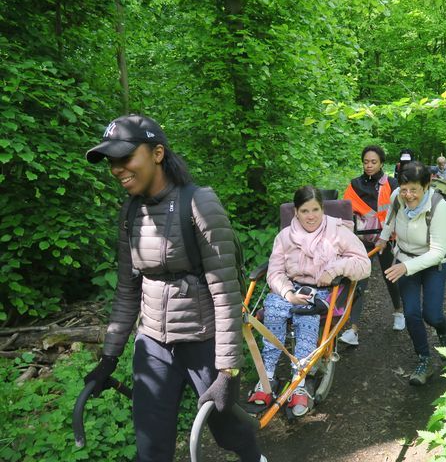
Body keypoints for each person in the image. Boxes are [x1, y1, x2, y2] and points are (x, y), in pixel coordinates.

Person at [83, 114, 265, 462]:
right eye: (111, 162)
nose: (116, 169)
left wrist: (227, 370)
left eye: (125, 158)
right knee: (151, 448)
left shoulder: (199, 203)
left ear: (157, 153)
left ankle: (254, 458)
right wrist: (109, 357)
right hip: (152, 344)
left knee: (229, 431)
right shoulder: (130, 213)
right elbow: (126, 290)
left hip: (204, 342)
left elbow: (226, 292)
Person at [248, 186, 371, 416]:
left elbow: (364, 264)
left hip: (323, 291)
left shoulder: (337, 231)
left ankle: (300, 382)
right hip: (291, 288)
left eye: (315, 209)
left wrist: (335, 267)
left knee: (306, 314)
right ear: (296, 212)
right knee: (274, 308)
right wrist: (287, 293)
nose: (311, 216)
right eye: (305, 211)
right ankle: (267, 377)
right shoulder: (285, 236)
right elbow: (274, 273)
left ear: (322, 209)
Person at [376, 161, 446, 386]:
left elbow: (438, 252)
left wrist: (405, 268)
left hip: (432, 264)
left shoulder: (439, 206)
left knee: (432, 314)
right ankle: (424, 360)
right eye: (404, 189)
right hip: (405, 257)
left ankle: (443, 329)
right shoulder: (397, 197)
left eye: (414, 190)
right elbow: (390, 219)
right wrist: (383, 239)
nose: (408, 195)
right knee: (411, 314)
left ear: (426, 185)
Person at [339, 145, 403, 346]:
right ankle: (353, 329)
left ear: (382, 163)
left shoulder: (392, 184)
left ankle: (398, 312)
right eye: (366, 161)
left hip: (388, 239)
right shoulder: (354, 185)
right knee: (358, 281)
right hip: (362, 241)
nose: (369, 165)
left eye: (373, 162)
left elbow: (399, 211)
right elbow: (345, 212)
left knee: (390, 277)